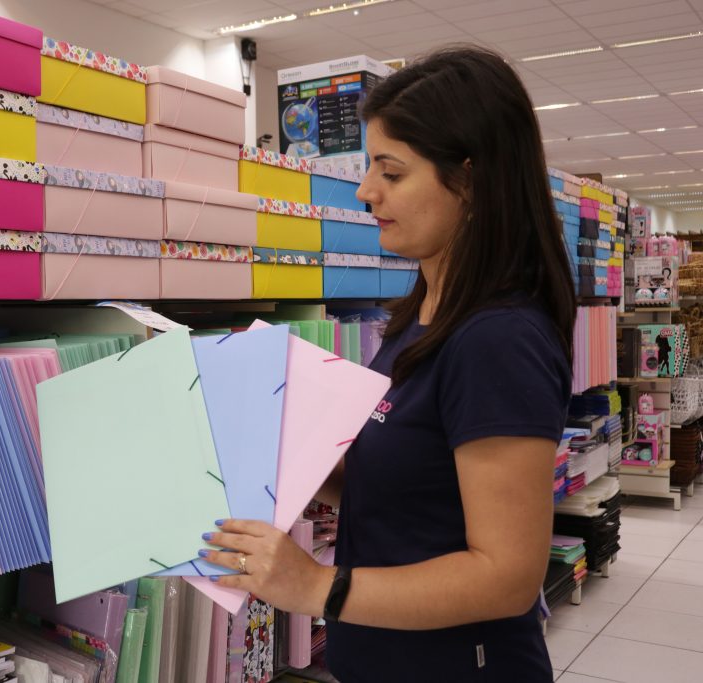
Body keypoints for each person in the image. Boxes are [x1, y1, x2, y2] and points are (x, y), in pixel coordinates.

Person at [201, 46, 575, 682]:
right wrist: (285, 453)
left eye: (391, 172)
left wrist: (317, 585)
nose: (366, 190)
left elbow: (506, 576)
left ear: (470, 180)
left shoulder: (498, 339)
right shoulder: (422, 317)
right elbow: (408, 485)